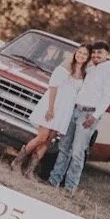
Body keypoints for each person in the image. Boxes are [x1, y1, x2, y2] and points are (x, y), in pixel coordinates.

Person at [50, 43, 110, 194]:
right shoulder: (90, 68)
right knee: (64, 147)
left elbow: (108, 97)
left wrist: (94, 116)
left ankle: (69, 188)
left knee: (77, 152)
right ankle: (53, 181)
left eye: (100, 53)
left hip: (88, 115)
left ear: (107, 54)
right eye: (94, 53)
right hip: (74, 110)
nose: (96, 55)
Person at [14, 44, 88, 177]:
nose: (81, 55)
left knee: (48, 141)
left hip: (65, 110)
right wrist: (50, 109)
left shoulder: (83, 74)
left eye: (85, 54)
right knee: (42, 137)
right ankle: (17, 162)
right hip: (53, 105)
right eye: (80, 52)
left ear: (87, 58)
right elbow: (53, 87)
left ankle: (30, 170)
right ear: (76, 52)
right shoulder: (65, 68)